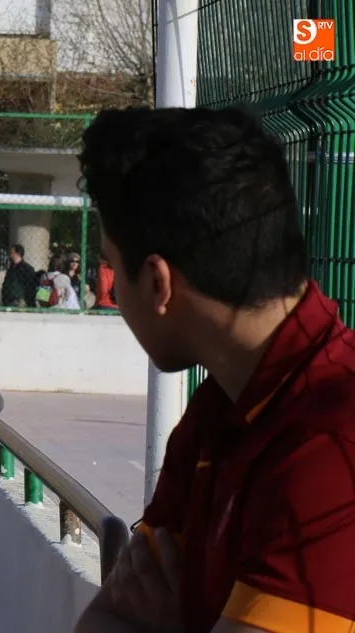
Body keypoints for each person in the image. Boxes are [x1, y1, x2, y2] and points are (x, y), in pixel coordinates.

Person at [73, 106, 355, 633]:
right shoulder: (223, 402)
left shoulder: (331, 438)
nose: (104, 284)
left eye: (109, 265)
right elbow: (104, 618)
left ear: (157, 283)